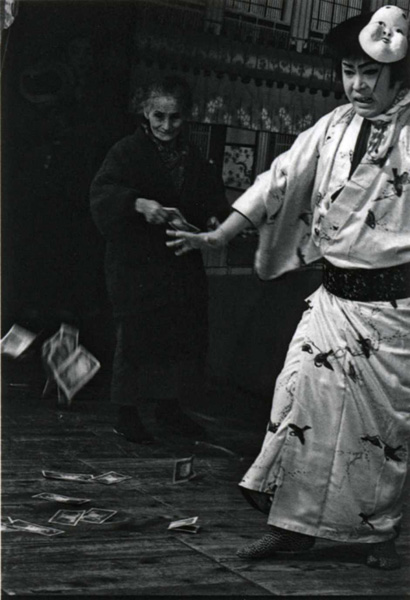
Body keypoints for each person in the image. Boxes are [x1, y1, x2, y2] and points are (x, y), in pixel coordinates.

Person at [166, 6, 410, 570]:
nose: (357, 85)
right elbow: (277, 178)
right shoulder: (333, 125)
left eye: (371, 74)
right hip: (332, 303)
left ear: (398, 76)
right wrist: (219, 235)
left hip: (392, 311)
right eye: (349, 71)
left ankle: (379, 535)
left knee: (379, 433)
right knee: (297, 403)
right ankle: (291, 528)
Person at [90, 75, 229, 443]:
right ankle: (127, 412)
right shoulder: (126, 151)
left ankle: (169, 409)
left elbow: (211, 200)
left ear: (187, 116)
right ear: (145, 112)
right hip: (135, 263)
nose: (167, 126)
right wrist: (138, 204)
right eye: (159, 116)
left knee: (180, 337)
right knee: (136, 338)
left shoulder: (193, 157)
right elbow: (102, 192)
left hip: (180, 263)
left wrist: (214, 220)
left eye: (175, 117)